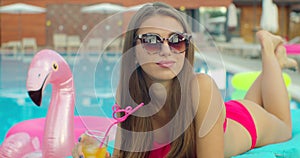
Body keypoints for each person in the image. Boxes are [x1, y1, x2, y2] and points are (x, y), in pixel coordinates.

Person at [72, 2, 298, 158]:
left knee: (285, 127)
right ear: (133, 48)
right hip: (213, 115)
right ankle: (272, 65)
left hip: (246, 121)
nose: (166, 50)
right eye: (151, 40)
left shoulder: (202, 86)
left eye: (176, 40)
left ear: (185, 47)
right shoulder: (129, 91)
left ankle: (269, 51)